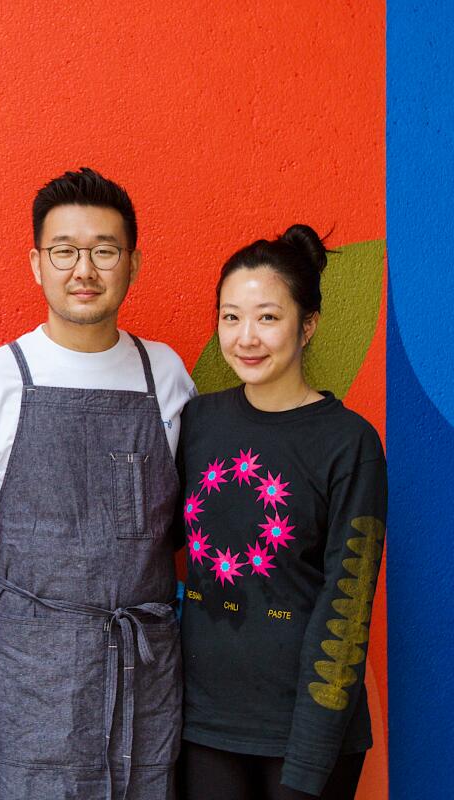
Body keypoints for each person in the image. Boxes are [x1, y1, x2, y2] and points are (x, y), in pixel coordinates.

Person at [0, 167, 196, 799]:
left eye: (104, 251)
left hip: (144, 663)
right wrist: (18, 565)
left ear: (133, 264)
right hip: (29, 668)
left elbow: (192, 519)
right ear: (36, 263)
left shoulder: (163, 373)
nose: (83, 269)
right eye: (64, 251)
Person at [176, 225, 386, 800]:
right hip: (202, 725)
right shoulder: (197, 423)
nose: (246, 337)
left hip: (304, 734)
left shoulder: (350, 443)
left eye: (267, 317)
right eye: (230, 317)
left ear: (308, 324)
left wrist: (308, 763)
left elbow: (348, 608)